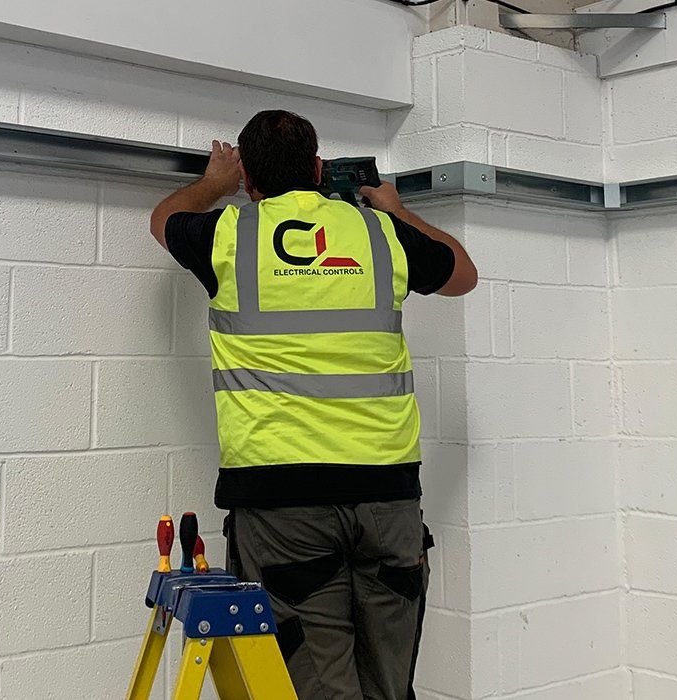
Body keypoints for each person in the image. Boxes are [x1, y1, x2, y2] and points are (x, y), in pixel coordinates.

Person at [149, 110, 477, 699]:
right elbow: (463, 275)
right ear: (320, 169)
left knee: (316, 685)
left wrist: (213, 183)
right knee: (388, 684)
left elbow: (165, 219)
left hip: (283, 505)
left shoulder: (230, 235)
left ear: (250, 180)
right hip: (386, 497)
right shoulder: (379, 234)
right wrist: (396, 210)